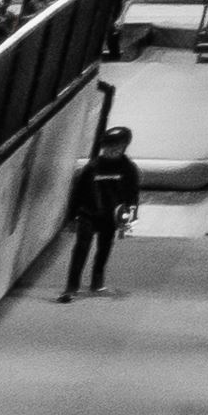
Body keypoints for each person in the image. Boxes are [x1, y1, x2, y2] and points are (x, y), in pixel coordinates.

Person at [56, 112, 140, 297]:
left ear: (123, 148)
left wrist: (129, 221)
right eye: (108, 147)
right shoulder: (92, 168)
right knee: (81, 248)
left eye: (116, 147)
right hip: (88, 213)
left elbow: (132, 196)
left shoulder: (128, 169)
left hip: (111, 215)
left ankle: (97, 283)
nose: (111, 151)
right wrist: (71, 216)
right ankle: (72, 286)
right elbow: (77, 193)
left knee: (104, 248)